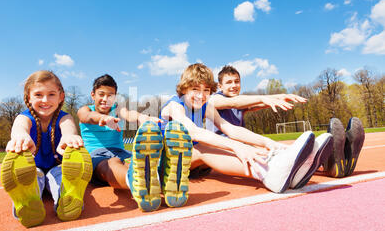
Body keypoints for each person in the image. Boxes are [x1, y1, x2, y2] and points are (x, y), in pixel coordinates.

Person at [159, 63, 324, 194]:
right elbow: (194, 132)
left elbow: (231, 129)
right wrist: (238, 147)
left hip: (192, 165)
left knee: (226, 144)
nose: (201, 95)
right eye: (195, 89)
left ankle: (291, 167)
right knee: (203, 147)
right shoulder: (175, 105)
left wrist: (271, 144)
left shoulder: (205, 105)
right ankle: (267, 174)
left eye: (206, 90)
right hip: (165, 165)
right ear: (184, 88)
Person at [77, 74, 193, 212]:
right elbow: (87, 117)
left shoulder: (118, 109)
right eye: (101, 94)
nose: (105, 99)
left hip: (121, 152)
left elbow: (128, 114)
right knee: (112, 163)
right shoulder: (85, 109)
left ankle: (163, 177)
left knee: (136, 162)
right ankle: (135, 181)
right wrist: (102, 118)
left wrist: (141, 117)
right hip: (97, 155)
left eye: (110, 95)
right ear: (93, 95)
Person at [1, 70, 92, 228]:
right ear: (28, 97)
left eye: (51, 94)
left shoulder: (65, 117)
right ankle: (28, 202)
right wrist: (20, 137)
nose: (45, 100)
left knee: (59, 175)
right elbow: (19, 127)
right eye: (38, 95)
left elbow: (68, 127)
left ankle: (66, 200)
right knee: (32, 176)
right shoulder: (24, 117)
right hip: (32, 167)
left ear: (61, 97)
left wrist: (69, 137)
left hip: (57, 165)